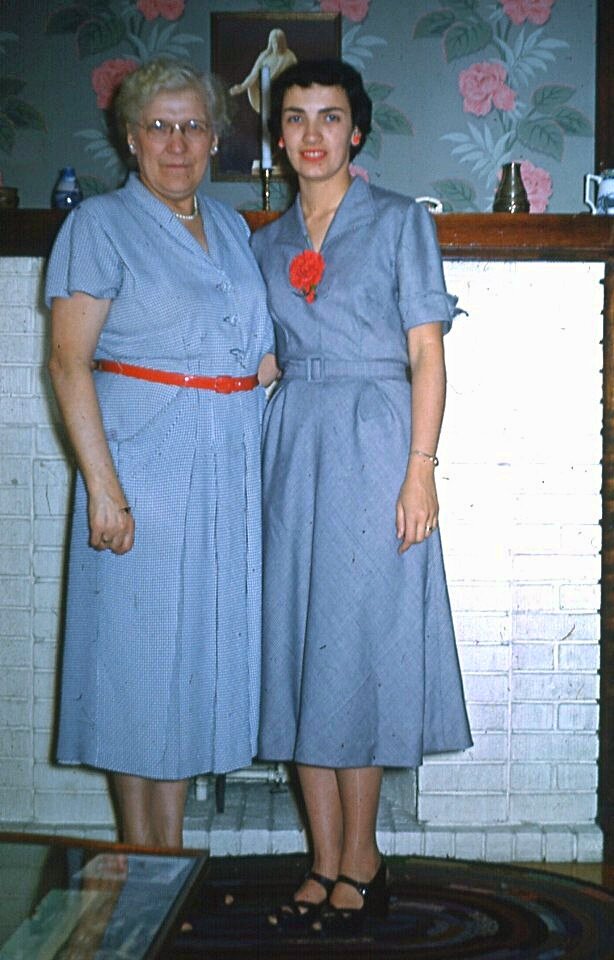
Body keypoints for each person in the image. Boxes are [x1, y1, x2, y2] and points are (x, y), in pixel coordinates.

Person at [250, 59, 472, 935]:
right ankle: (324, 858)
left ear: (357, 132)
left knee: (355, 650)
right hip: (293, 447)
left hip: (376, 443)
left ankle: (363, 858)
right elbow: (265, 357)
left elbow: (427, 354)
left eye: (330, 117)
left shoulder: (399, 222)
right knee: (299, 647)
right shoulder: (264, 243)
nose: (313, 134)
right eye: (296, 117)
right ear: (278, 137)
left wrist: (421, 467)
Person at [46, 58, 275, 848]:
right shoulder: (98, 225)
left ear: (214, 140)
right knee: (138, 665)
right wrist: (103, 489)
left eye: (193, 127)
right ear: (131, 138)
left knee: (187, 668)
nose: (177, 144)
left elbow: (253, 350)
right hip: (144, 466)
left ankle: (160, 863)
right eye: (159, 127)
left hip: (224, 473)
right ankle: (147, 859)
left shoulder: (233, 229)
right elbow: (67, 363)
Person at [229, 29, 297, 112]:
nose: (276, 46)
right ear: (270, 43)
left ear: (283, 43)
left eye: (279, 43)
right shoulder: (264, 56)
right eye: (274, 43)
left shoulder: (289, 56)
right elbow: (253, 74)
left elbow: (296, 74)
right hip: (266, 91)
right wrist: (242, 86)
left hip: (283, 91)